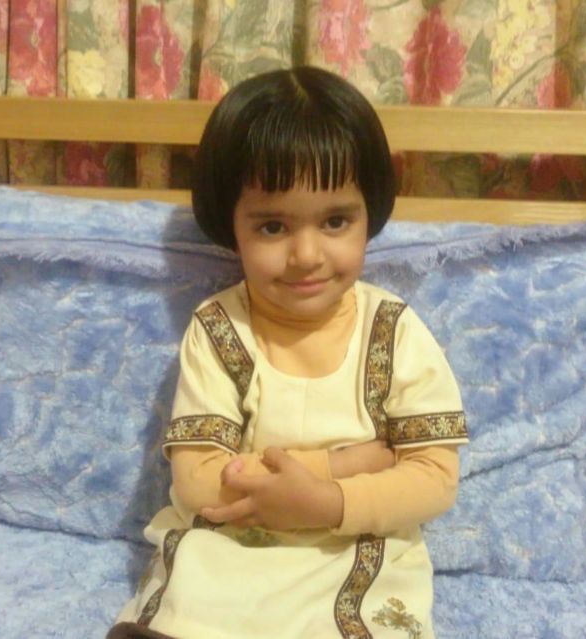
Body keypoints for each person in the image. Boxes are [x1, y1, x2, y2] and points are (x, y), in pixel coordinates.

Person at [108, 66, 468, 639]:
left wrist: (327, 501)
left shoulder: (394, 330)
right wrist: (340, 465)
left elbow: (434, 478)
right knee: (194, 593)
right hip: (234, 539)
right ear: (229, 226)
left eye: (335, 221)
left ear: (369, 214)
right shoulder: (219, 329)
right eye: (273, 227)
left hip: (354, 540)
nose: (306, 255)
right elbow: (197, 482)